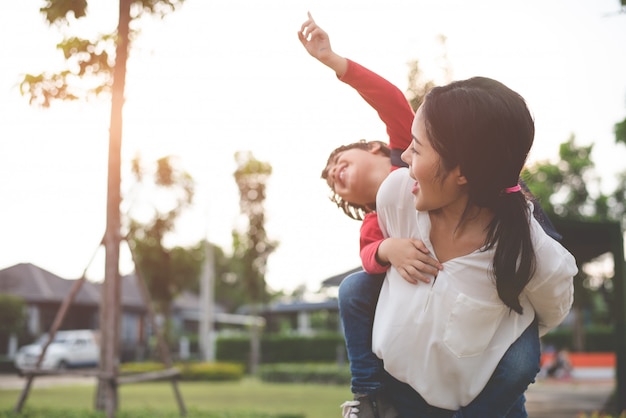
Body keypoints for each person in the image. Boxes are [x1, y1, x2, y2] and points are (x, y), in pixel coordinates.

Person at [299, 13, 566, 418]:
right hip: (426, 356)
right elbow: (369, 255)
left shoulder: (406, 141)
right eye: (335, 183)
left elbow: (387, 95)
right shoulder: (387, 207)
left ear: (373, 148)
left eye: (340, 161)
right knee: (353, 289)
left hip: (508, 239)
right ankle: (370, 398)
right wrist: (389, 248)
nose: (336, 173)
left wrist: (335, 61)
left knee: (520, 358)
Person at [370, 77, 578, 417]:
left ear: (462, 173)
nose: (405, 157)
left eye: (418, 148)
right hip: (396, 401)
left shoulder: (537, 257)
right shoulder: (396, 196)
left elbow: (549, 313)